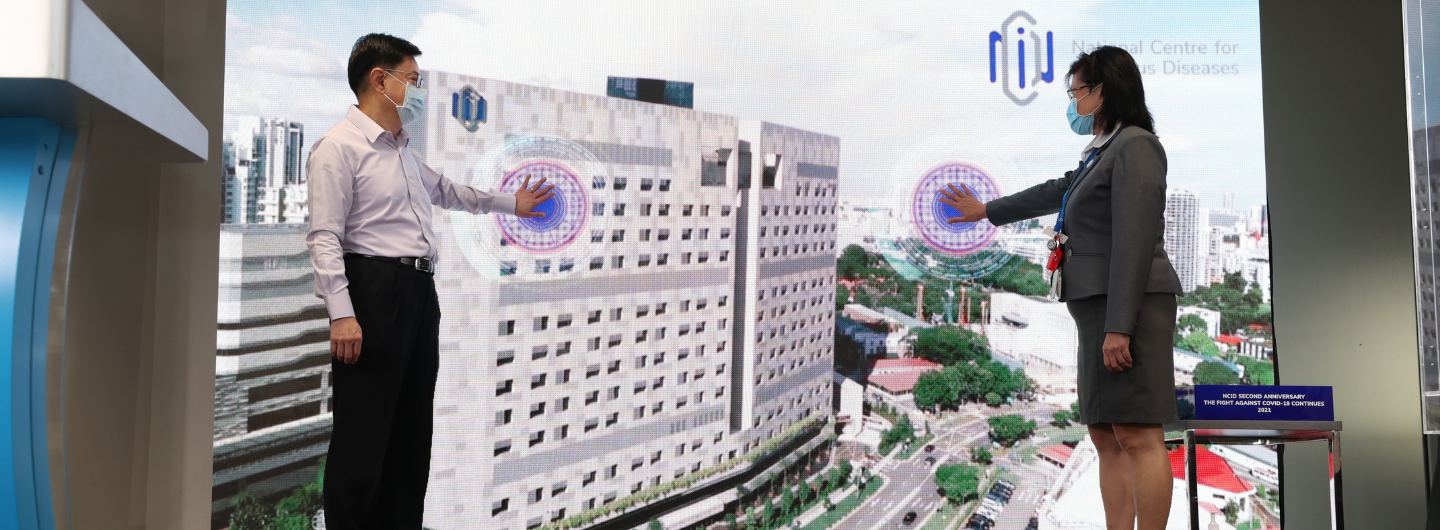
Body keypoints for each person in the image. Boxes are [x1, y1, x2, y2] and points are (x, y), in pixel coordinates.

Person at [305, 33, 555, 529]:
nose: (419, 92)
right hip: (374, 292)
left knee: (411, 432)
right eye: (413, 80)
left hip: (419, 293)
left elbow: (448, 191)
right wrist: (342, 314)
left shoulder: (400, 151)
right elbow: (323, 237)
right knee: (364, 433)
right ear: (381, 79)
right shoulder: (337, 148)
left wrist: (513, 205)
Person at [938, 45, 1182, 530]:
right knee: (1106, 437)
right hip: (1096, 311)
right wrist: (985, 210)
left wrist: (1120, 327)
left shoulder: (1135, 145)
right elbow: (1055, 191)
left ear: (1103, 91)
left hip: (1127, 311)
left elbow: (1133, 242)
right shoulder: (1101, 153)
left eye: (1076, 91)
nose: (1072, 102)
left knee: (1138, 435)